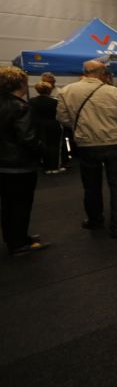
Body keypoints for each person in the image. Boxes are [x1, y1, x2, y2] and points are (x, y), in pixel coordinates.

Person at [57, 60, 117, 238]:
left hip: (86, 144)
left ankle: (95, 220)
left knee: (91, 186)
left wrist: (80, 127)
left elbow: (62, 117)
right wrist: (112, 127)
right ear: (102, 72)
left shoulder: (66, 91)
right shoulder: (114, 91)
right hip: (114, 143)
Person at [0, 66, 50, 256]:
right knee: (21, 204)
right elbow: (28, 138)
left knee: (8, 204)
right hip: (19, 164)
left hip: (3, 164)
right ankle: (19, 243)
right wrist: (42, 150)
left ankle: (13, 237)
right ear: (20, 83)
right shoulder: (21, 107)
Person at [28, 81, 65, 174]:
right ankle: (55, 167)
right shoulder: (56, 101)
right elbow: (61, 113)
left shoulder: (31, 101)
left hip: (39, 125)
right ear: (50, 90)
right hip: (54, 124)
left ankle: (46, 167)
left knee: (43, 145)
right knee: (56, 146)